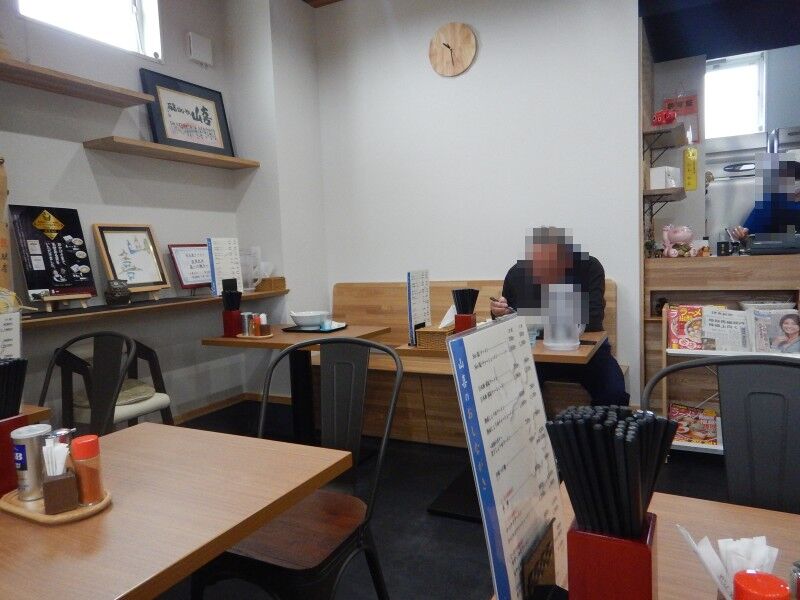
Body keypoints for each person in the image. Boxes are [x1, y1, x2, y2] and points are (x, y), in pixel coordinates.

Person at [490, 227, 629, 406]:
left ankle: (596, 425)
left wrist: (533, 318)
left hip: (587, 352)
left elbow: (594, 318)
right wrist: (499, 313)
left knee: (614, 393)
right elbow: (509, 318)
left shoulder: (589, 267)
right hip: (537, 355)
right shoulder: (517, 273)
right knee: (512, 391)